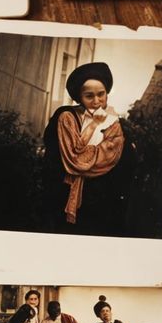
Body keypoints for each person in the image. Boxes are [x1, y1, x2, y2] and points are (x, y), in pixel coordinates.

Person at [42, 61, 133, 234]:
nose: (97, 101)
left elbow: (119, 160)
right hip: (65, 195)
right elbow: (76, 159)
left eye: (101, 94)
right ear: (79, 97)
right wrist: (94, 127)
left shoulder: (115, 123)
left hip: (101, 199)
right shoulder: (67, 117)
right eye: (89, 96)